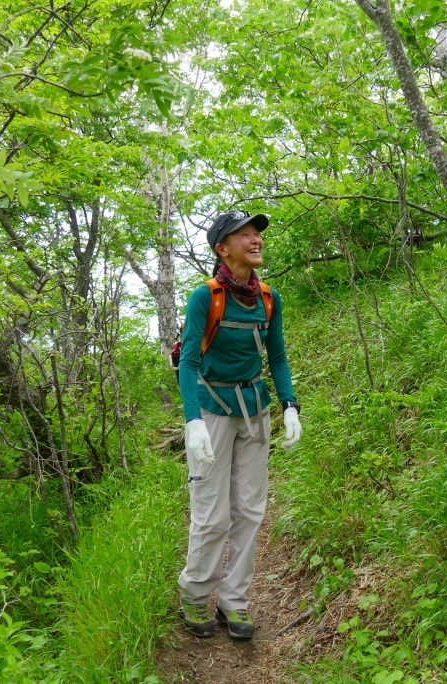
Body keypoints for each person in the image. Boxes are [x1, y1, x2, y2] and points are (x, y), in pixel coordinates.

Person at [176, 208, 302, 639]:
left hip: (254, 407)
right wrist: (192, 421)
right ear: (223, 249)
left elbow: (278, 356)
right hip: (211, 409)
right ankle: (195, 595)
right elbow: (188, 362)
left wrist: (289, 405)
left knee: (249, 511)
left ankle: (235, 601)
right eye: (244, 235)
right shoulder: (204, 296)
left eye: (257, 233)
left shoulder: (268, 296)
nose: (255, 240)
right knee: (211, 514)